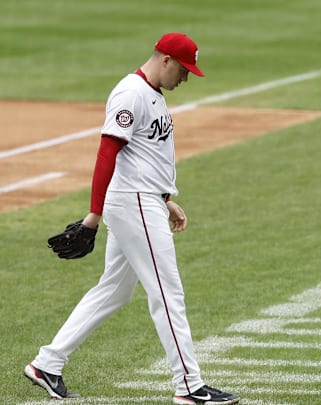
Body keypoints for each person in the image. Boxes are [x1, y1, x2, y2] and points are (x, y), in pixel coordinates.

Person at [24, 32, 240, 405]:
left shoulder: (152, 95)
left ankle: (47, 364)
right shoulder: (131, 93)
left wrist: (165, 199)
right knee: (168, 294)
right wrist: (93, 215)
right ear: (166, 60)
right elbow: (107, 152)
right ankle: (189, 386)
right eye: (184, 70)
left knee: (115, 290)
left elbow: (144, 157)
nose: (186, 78)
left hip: (145, 201)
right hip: (133, 205)